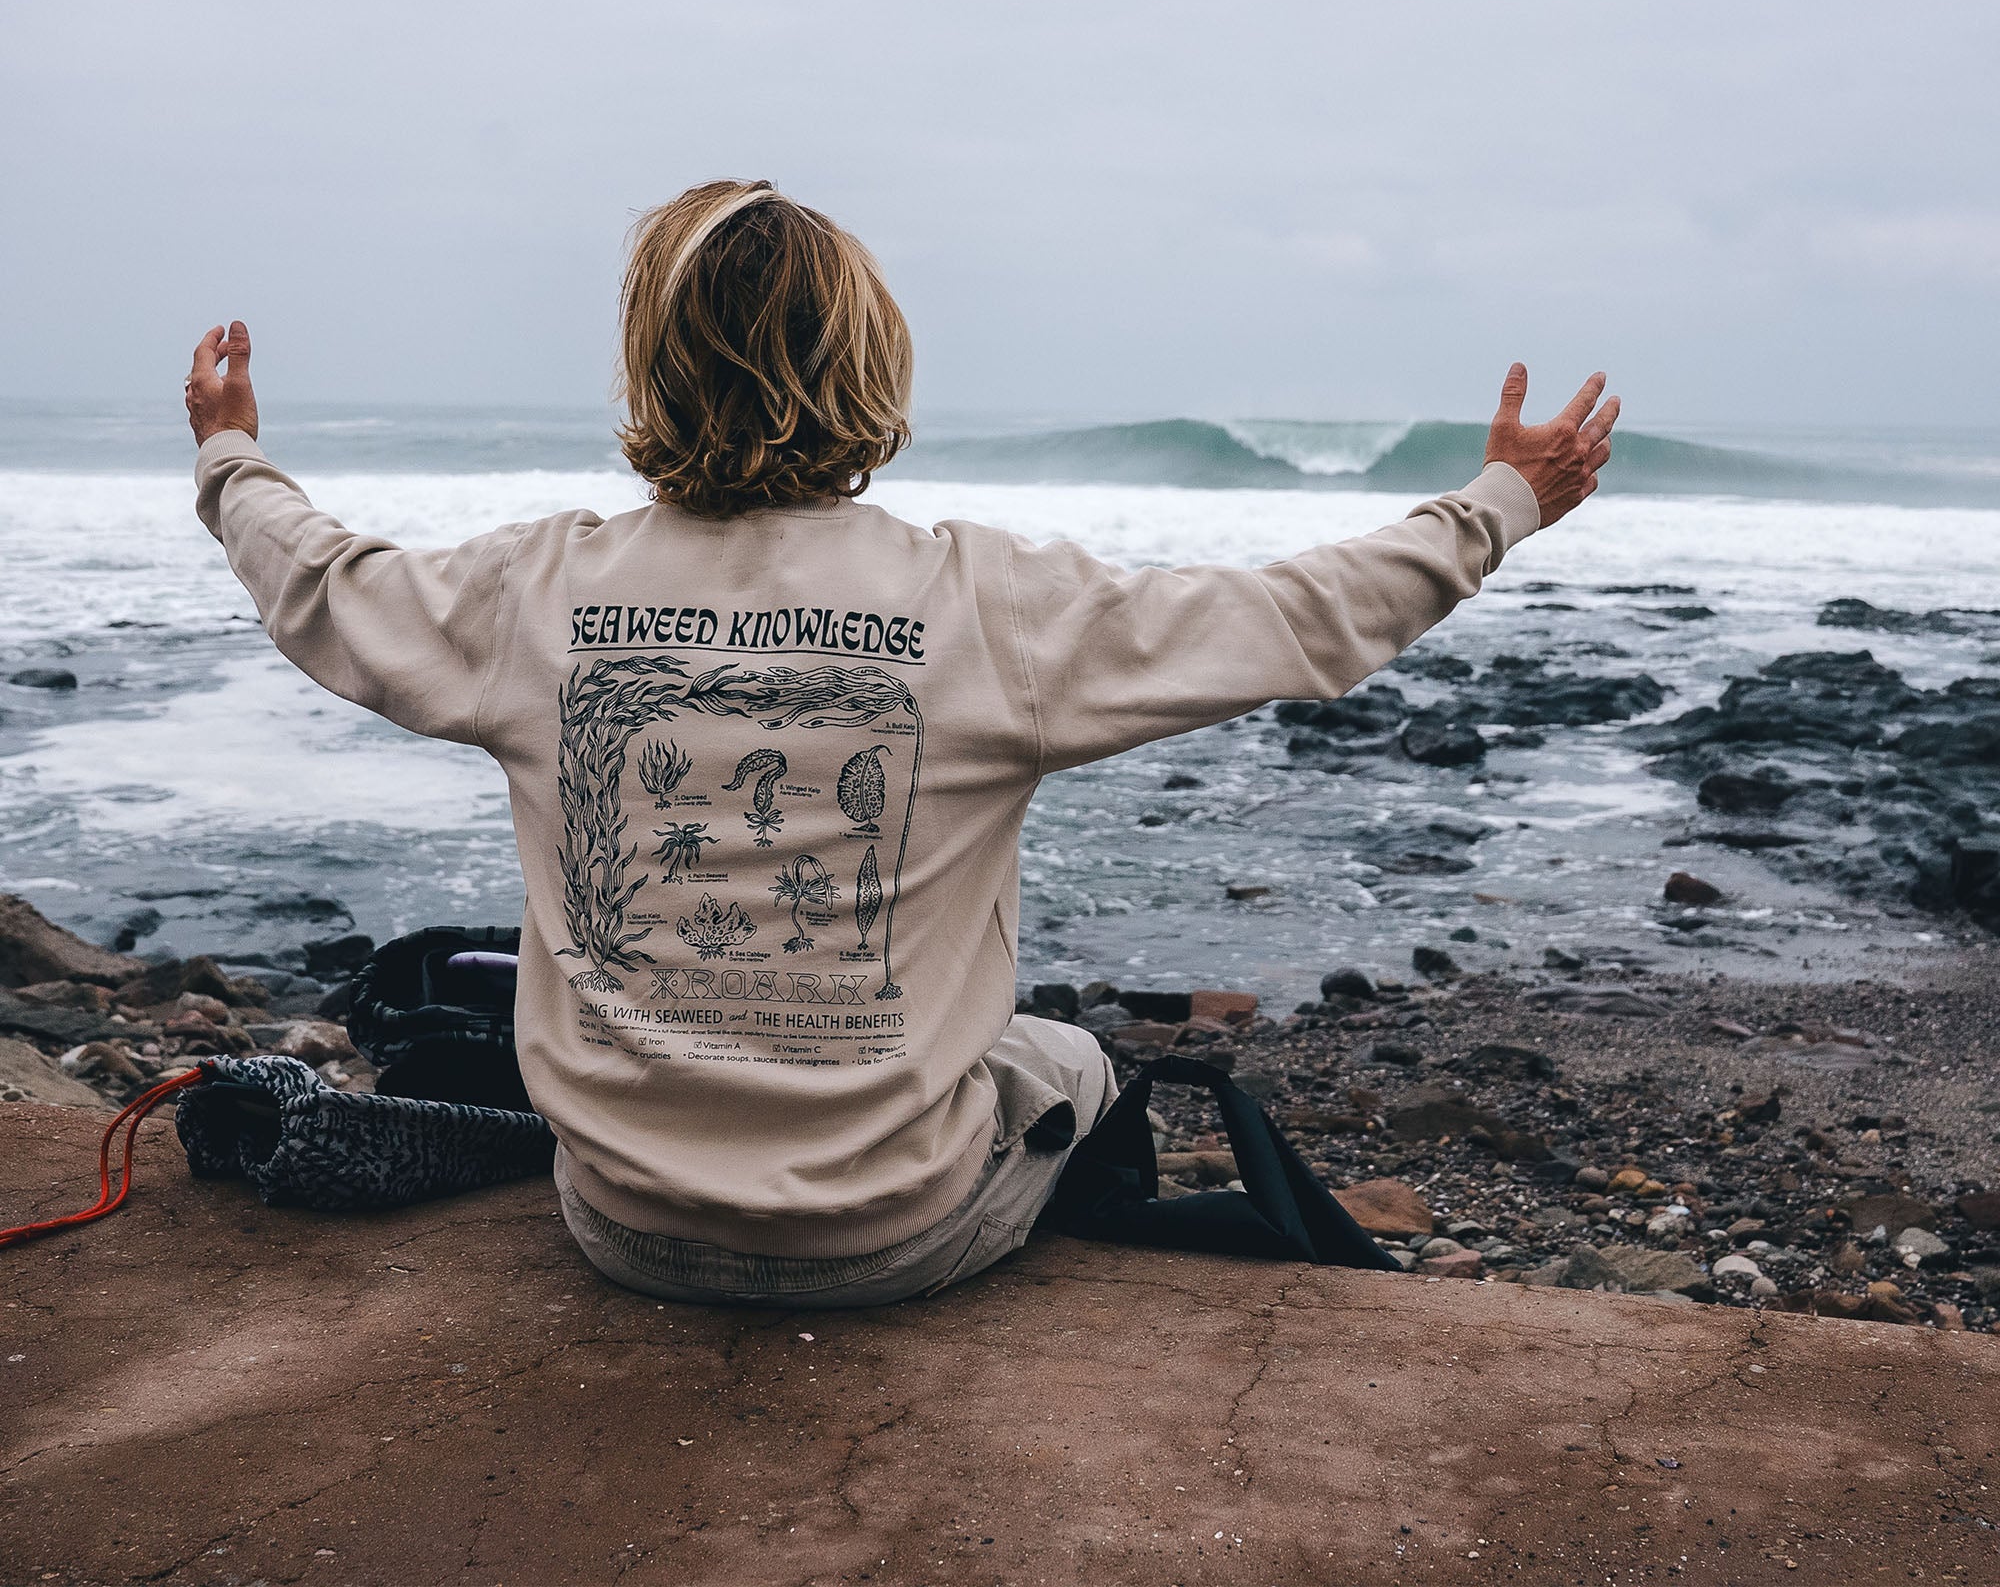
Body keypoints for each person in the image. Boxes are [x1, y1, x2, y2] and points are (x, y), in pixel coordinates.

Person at [185, 179, 1616, 1307]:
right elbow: (1296, 619)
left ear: (652, 370)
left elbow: (322, 583)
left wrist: (232, 454)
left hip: (619, 1221)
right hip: (889, 1243)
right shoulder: (984, 607)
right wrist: (1498, 501)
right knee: (1068, 1056)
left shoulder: (532, 596)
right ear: (872, 359)